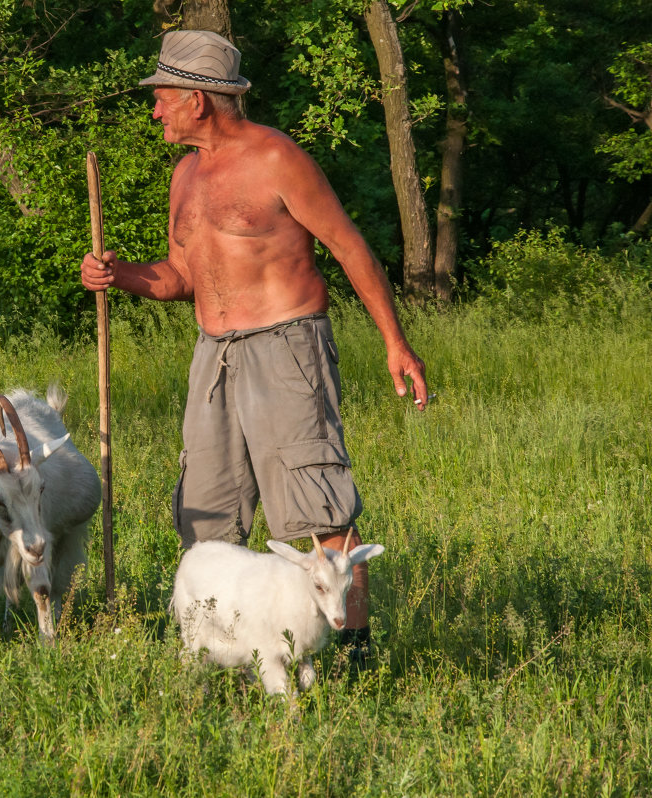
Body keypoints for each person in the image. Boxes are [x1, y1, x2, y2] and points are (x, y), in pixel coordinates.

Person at [80, 30, 428, 661]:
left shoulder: (277, 160)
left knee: (316, 505)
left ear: (197, 100)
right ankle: (224, 654)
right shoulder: (184, 176)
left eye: (161, 97)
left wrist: (394, 342)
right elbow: (183, 277)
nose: (154, 110)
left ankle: (353, 655)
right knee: (206, 514)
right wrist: (119, 273)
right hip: (213, 354)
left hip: (287, 347)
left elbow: (350, 247)